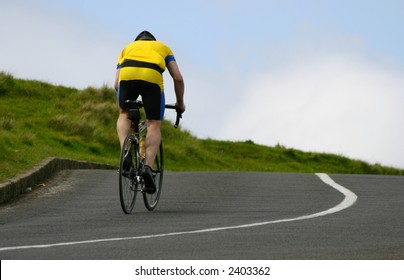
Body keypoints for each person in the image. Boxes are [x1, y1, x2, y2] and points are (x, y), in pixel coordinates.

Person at [114, 31, 185, 194]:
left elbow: (117, 84)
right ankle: (147, 168)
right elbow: (178, 78)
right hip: (151, 77)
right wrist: (180, 103)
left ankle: (125, 154)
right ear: (153, 41)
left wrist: (125, 105)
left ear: (137, 41)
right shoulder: (163, 47)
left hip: (127, 74)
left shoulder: (127, 48)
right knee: (153, 124)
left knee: (123, 114)